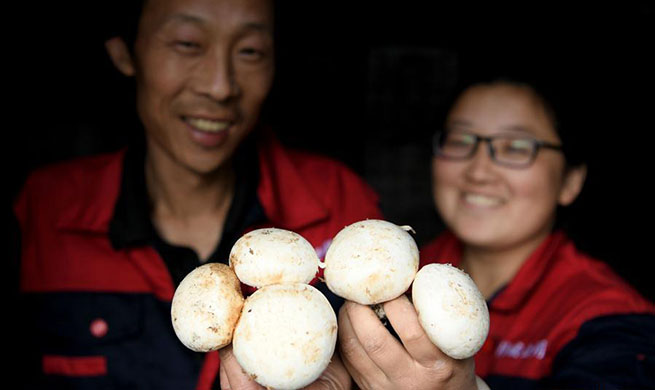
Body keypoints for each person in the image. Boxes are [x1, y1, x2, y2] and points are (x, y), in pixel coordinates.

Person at [13, 0, 381, 389]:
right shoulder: (43, 209)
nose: (220, 86)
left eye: (250, 51)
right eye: (188, 43)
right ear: (124, 52)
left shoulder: (342, 204)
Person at [337, 75, 655, 389]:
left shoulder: (611, 316)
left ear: (570, 180)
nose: (478, 170)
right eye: (460, 141)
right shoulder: (380, 277)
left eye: (516, 147)